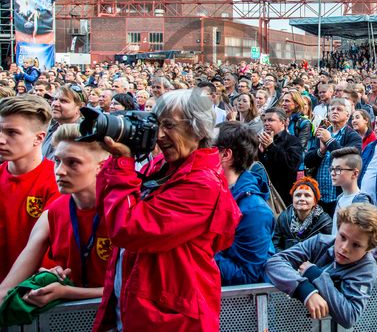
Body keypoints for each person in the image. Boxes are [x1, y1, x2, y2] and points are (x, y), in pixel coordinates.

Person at [93, 89, 240, 331]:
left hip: (171, 317)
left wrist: (123, 163)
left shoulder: (202, 183)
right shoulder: (164, 166)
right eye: (157, 124)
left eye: (169, 125)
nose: (159, 135)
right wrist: (117, 159)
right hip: (139, 306)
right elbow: (106, 214)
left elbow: (129, 230)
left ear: (198, 128)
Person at [0, 124, 111, 307]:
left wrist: (67, 292)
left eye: (73, 162)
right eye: (58, 160)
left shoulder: (123, 210)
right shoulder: (53, 212)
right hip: (71, 319)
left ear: (101, 165)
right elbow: (7, 288)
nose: (59, 170)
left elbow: (133, 287)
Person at [265, 203, 377, 329]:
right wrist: (306, 290)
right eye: (342, 237)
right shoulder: (320, 242)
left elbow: (349, 315)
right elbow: (274, 262)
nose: (344, 248)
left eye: (356, 245)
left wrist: (315, 274)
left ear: (369, 248)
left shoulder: (366, 267)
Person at [0, 95, 58, 281]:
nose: (1, 139)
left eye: (12, 133)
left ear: (38, 138)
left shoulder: (58, 182)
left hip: (27, 296)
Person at [214, 122, 274, 285]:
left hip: (237, 306)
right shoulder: (212, 193)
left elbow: (247, 275)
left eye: (207, 147)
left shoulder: (255, 210)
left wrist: (198, 250)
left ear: (225, 155)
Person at [305, 98, 362, 215]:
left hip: (339, 195)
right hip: (319, 194)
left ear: (347, 115)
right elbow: (307, 160)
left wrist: (330, 141)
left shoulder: (353, 136)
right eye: (332, 109)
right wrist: (321, 151)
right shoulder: (322, 132)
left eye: (339, 109)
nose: (334, 112)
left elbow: (349, 160)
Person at [257, 107, 304, 206]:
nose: (266, 123)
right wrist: (260, 153)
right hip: (263, 193)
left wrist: (271, 147)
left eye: (271, 120)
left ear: (283, 122)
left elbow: (291, 165)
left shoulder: (293, 141)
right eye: (265, 120)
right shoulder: (260, 140)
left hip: (283, 196)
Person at [273, 177, 333, 251]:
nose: (302, 198)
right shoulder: (283, 218)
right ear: (292, 199)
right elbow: (275, 244)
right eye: (298, 195)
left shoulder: (325, 222)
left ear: (315, 201)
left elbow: (329, 250)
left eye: (307, 195)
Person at [330, 147, 372, 236]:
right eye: (332, 169)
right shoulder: (340, 198)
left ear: (355, 173)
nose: (332, 173)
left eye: (338, 169)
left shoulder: (360, 201)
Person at [42, 84, 85, 161]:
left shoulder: (84, 135)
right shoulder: (50, 128)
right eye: (55, 99)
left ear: (80, 107)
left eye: (63, 101)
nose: (55, 104)